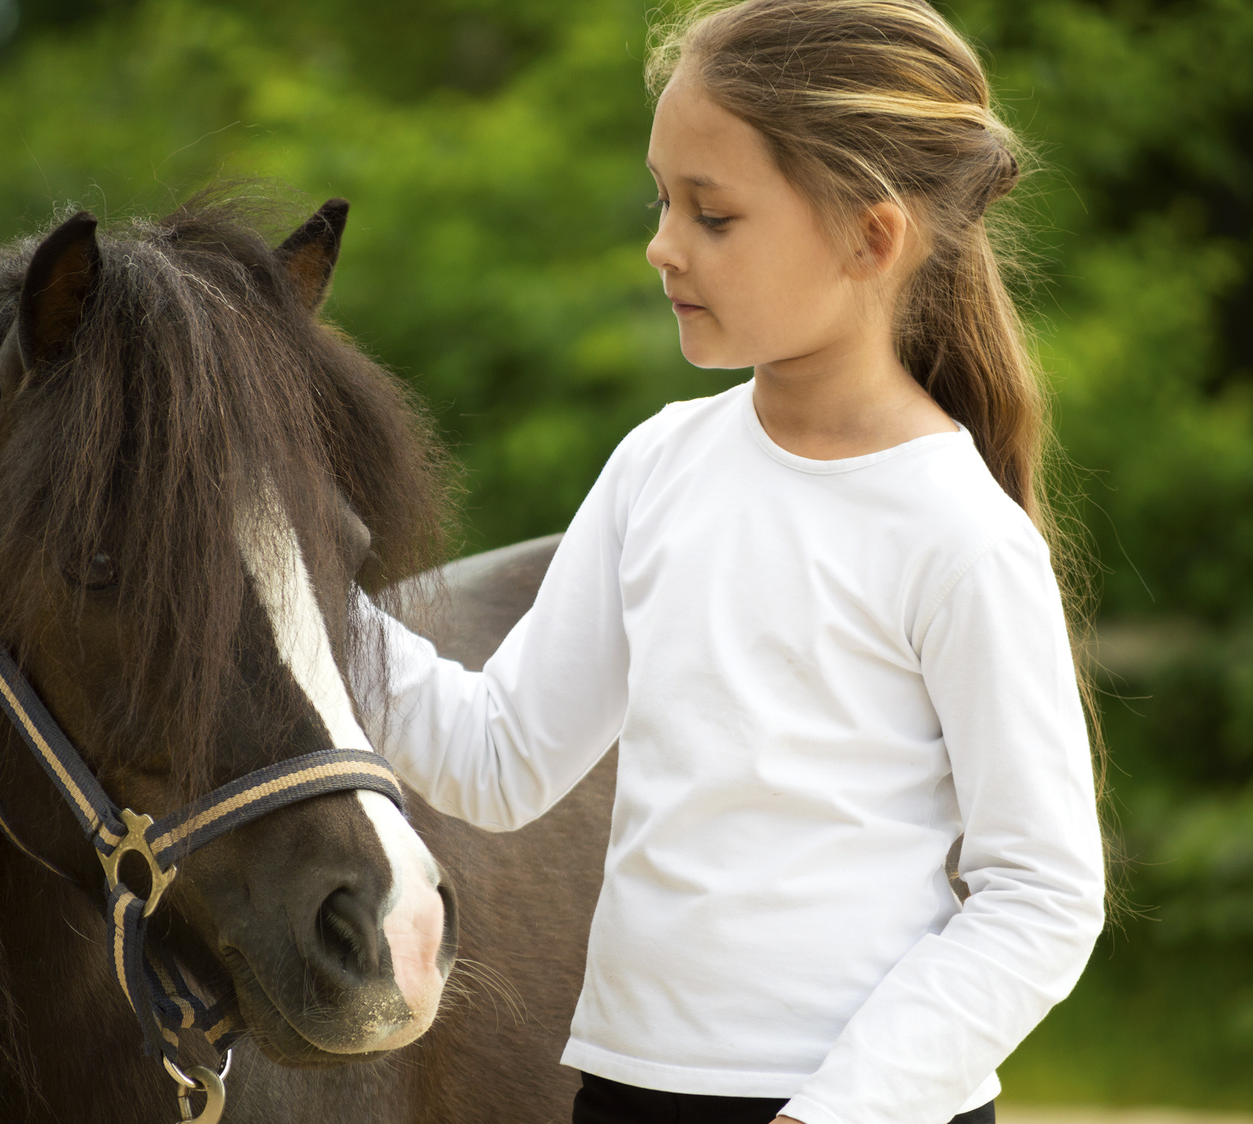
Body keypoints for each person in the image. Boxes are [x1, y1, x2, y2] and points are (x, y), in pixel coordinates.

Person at [354, 2, 1106, 1122]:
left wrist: (841, 1108)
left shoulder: (959, 531)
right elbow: (498, 759)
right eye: (663, 200)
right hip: (624, 1089)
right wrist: (290, 599)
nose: (663, 243)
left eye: (712, 213)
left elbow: (1041, 892)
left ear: (871, 236)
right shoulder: (658, 464)